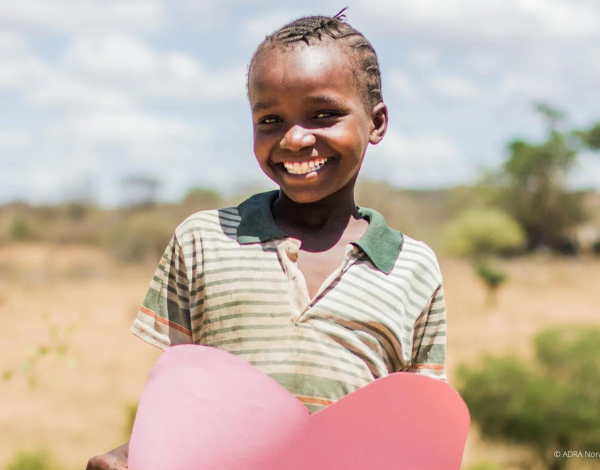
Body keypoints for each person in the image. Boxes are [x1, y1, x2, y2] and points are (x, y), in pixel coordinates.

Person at [86, 10, 447, 470]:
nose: (295, 139)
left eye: (324, 114)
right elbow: (178, 406)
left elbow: (418, 428)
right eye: (270, 119)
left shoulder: (412, 267)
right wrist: (128, 457)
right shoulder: (203, 241)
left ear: (376, 123)